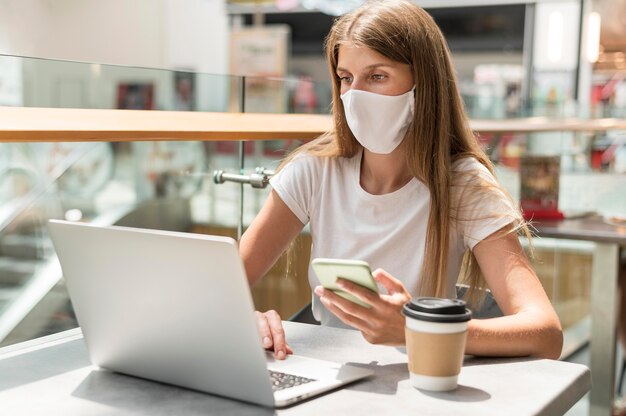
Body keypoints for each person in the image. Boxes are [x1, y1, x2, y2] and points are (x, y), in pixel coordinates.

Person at [239, 0, 563, 361]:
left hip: (421, 379)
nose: (355, 95)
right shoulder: (314, 171)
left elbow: (545, 333)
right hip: (328, 375)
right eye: (346, 78)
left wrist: (416, 329)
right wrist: (243, 320)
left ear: (422, 83)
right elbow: (219, 290)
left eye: (377, 76)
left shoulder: (462, 184)